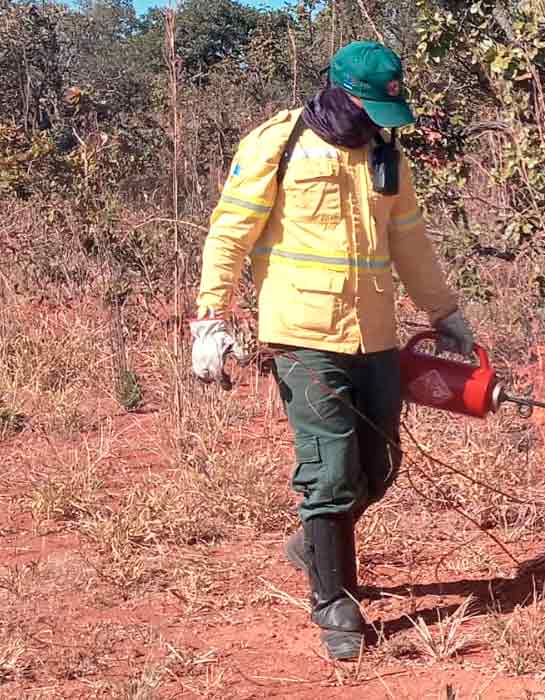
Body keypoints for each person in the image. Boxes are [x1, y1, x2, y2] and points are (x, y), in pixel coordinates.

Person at [188, 41, 476, 660]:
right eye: (368, 107)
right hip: (302, 334)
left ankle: (314, 543)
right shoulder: (278, 143)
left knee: (383, 465)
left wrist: (445, 314)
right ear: (339, 91)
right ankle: (334, 603)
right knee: (333, 465)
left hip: (374, 335)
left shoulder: (386, 155)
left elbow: (410, 243)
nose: (376, 121)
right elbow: (230, 230)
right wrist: (211, 318)